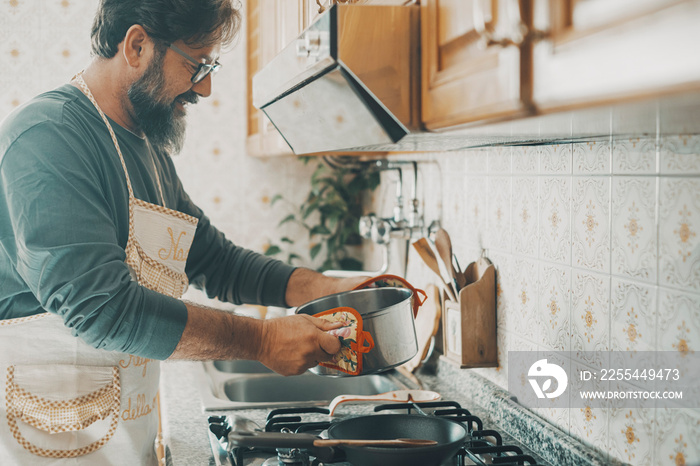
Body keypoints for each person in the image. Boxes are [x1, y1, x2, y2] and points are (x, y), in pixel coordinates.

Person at [0, 1, 365, 464]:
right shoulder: (46, 138)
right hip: (42, 445)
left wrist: (327, 288)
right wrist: (262, 341)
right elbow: (102, 309)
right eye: (197, 65)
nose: (206, 88)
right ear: (137, 45)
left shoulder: (148, 149)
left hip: (123, 439)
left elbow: (214, 260)